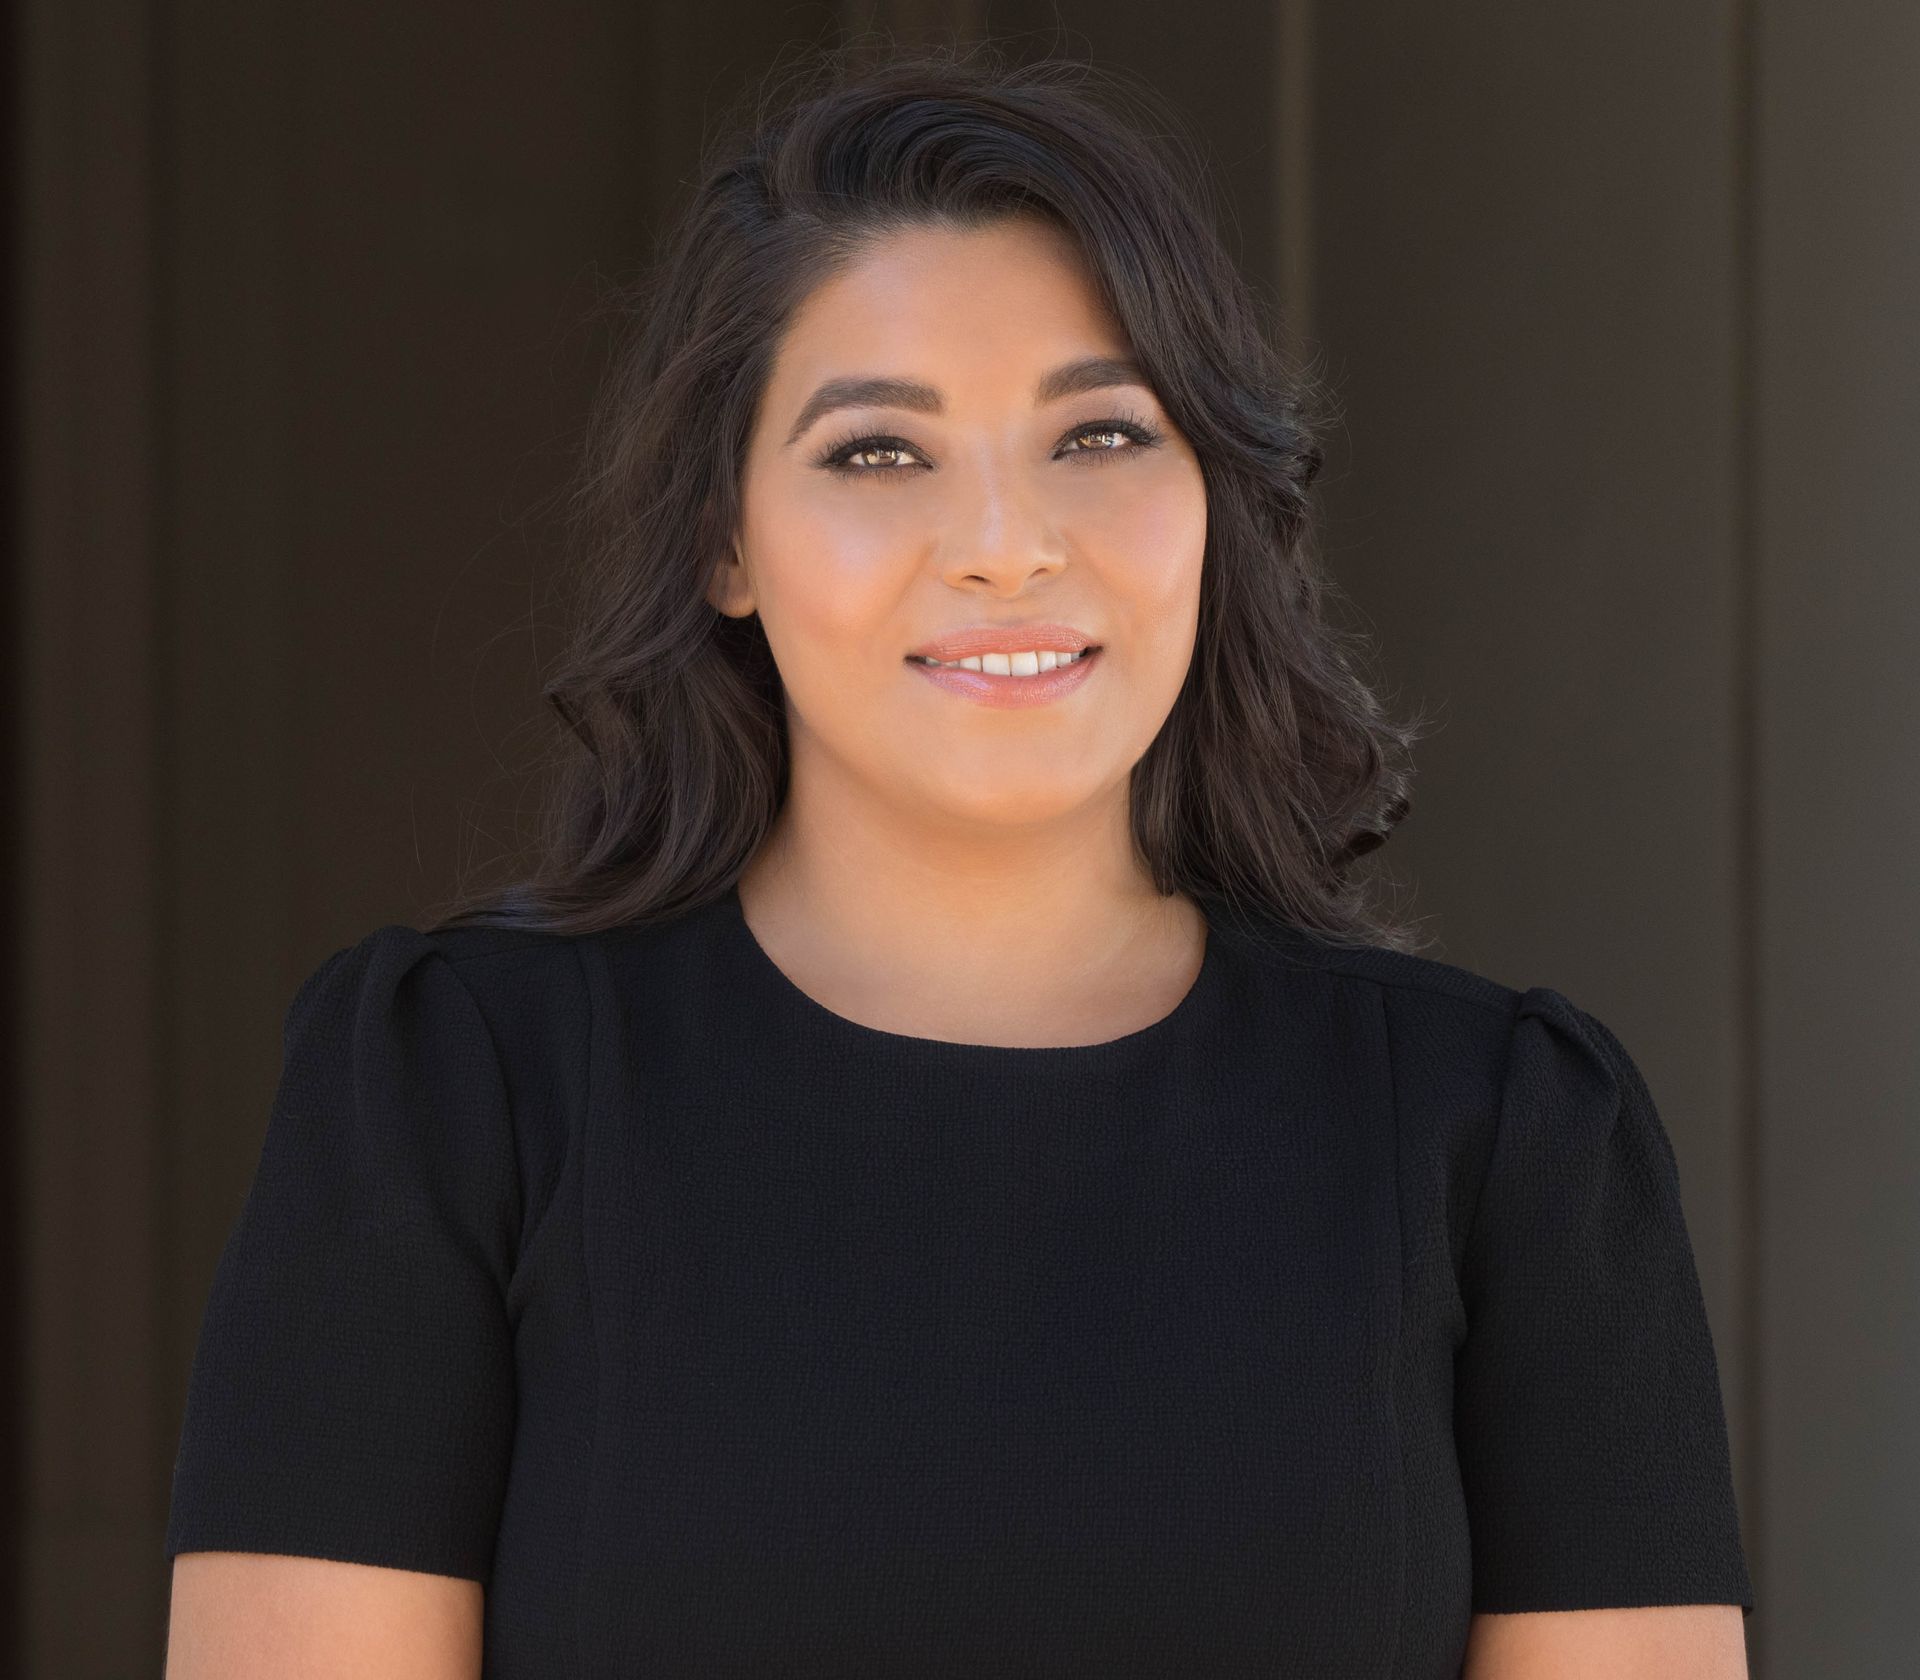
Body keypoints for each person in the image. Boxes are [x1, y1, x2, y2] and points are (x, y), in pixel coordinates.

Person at [161, 38, 1754, 1680]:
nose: (1006, 543)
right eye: (876, 452)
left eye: (1104, 436)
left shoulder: (1511, 1140)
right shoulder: (451, 1092)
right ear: (724, 541)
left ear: (1215, 490)